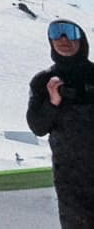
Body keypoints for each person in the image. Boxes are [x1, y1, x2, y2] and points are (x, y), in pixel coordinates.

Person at [29, 19, 94, 228]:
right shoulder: (43, 81)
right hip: (70, 180)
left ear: (82, 40)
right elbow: (37, 127)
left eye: (70, 33)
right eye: (57, 33)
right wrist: (53, 102)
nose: (63, 39)